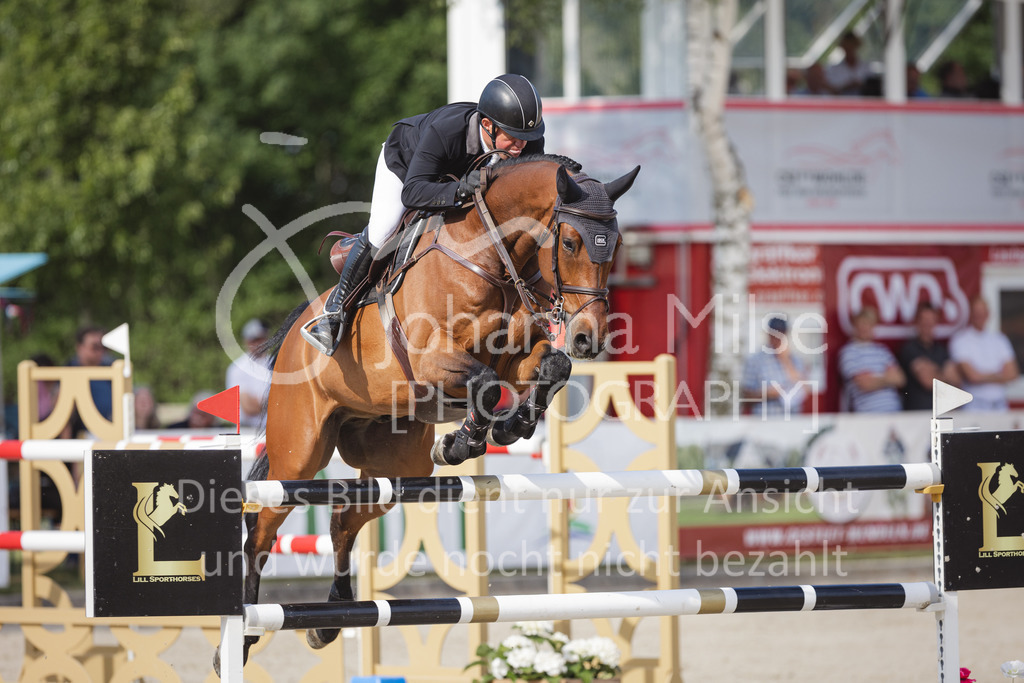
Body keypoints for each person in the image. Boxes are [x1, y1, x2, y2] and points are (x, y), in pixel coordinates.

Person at [305, 73, 546, 355]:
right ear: (487, 125)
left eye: (526, 138)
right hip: (407, 167)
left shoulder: (527, 142)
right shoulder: (447, 131)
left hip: (457, 178)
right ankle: (334, 313)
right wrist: (459, 190)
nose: (520, 147)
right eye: (513, 138)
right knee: (383, 231)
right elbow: (412, 192)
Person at [949, 296, 1019, 412]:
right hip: (975, 406)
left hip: (999, 405)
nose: (979, 316)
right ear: (971, 314)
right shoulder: (961, 340)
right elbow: (972, 377)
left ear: (988, 314)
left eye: (982, 312)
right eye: (976, 312)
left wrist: (982, 375)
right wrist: (998, 375)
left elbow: (1012, 373)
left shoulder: (1000, 339)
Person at [838, 306, 905, 412]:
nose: (865, 328)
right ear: (855, 326)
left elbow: (900, 379)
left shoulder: (882, 351)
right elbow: (865, 384)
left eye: (869, 324)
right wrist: (887, 378)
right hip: (869, 415)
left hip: (894, 412)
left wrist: (874, 378)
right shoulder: (849, 352)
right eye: (862, 324)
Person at [740, 316, 810, 417]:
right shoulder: (755, 361)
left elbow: (805, 388)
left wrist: (786, 361)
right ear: (768, 334)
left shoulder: (796, 360)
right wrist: (767, 394)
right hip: (765, 420)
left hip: (792, 420)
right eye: (774, 334)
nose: (777, 338)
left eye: (781, 333)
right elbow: (745, 397)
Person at [898, 302, 958, 411]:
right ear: (917, 322)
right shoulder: (910, 348)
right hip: (918, 413)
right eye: (924, 320)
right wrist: (943, 373)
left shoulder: (941, 350)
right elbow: (928, 381)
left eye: (931, 320)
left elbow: (956, 381)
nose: (927, 324)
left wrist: (933, 371)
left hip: (942, 412)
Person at [226, 318, 272, 429]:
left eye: (261, 339)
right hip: (247, 430)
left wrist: (263, 402)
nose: (258, 343)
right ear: (246, 341)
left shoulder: (276, 362)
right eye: (254, 340)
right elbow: (248, 407)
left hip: (273, 428)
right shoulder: (237, 367)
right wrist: (274, 402)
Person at [68, 325, 113, 436]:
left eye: (104, 347)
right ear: (80, 347)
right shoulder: (68, 372)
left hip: (109, 436)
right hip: (79, 439)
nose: (100, 351)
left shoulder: (111, 371)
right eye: (95, 347)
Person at [826, 31, 872, 95]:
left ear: (856, 46)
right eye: (846, 46)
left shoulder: (867, 67)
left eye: (851, 46)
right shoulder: (834, 70)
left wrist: (861, 85)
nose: (849, 49)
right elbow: (830, 91)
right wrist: (847, 87)